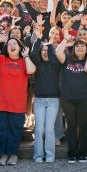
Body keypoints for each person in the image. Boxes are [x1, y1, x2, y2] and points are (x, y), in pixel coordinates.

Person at [0, 33, 35, 166]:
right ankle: (3, 154)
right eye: (9, 44)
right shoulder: (2, 59)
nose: (12, 46)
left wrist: (26, 56)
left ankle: (13, 154)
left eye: (15, 44)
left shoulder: (23, 61)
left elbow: (32, 70)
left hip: (17, 103)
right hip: (0, 102)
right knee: (2, 130)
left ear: (20, 47)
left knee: (15, 130)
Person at [56, 37, 87, 163]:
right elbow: (57, 53)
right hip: (68, 97)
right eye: (77, 46)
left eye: (83, 46)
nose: (79, 48)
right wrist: (65, 40)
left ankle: (84, 152)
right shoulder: (67, 59)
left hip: (84, 97)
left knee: (83, 125)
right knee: (71, 125)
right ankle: (72, 152)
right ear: (73, 48)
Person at [30, 32, 61, 163]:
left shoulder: (55, 65)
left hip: (53, 100)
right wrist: (37, 38)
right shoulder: (37, 63)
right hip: (39, 100)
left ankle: (50, 155)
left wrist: (49, 46)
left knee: (49, 129)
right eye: (42, 50)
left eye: (47, 50)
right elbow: (32, 54)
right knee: (39, 129)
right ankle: (38, 155)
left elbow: (53, 57)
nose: (45, 52)